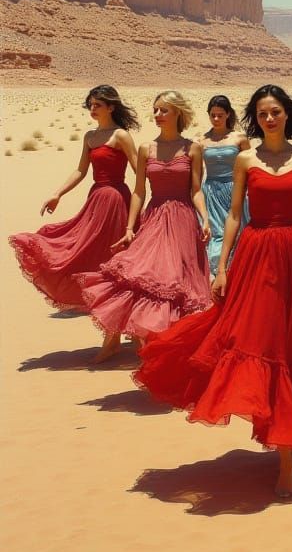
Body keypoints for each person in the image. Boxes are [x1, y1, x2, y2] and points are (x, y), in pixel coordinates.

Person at [135, 85, 292, 497]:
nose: (270, 119)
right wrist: (222, 267)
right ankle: (284, 455)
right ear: (256, 118)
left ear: (287, 114)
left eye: (275, 112)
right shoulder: (246, 159)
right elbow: (235, 213)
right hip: (256, 254)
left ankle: (289, 442)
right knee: (260, 341)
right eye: (263, 113)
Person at [76, 90, 211, 360]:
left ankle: (175, 348)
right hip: (155, 217)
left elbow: (196, 189)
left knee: (178, 281)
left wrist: (205, 218)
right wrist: (129, 228)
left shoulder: (193, 148)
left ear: (178, 114)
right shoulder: (146, 148)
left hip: (183, 219)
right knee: (141, 275)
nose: (158, 115)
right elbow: (139, 191)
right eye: (156, 110)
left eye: (164, 110)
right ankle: (139, 342)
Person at [10, 85, 138, 312]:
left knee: (116, 251)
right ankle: (104, 299)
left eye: (97, 105)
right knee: (84, 246)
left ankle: (121, 306)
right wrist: (57, 193)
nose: (92, 108)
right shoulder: (90, 136)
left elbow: (140, 169)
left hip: (118, 199)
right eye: (90, 104)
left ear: (111, 107)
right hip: (97, 197)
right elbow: (80, 170)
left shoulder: (121, 135)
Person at [200, 95, 250, 275]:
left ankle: (237, 273)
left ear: (228, 114)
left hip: (235, 191)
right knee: (215, 234)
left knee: (239, 233)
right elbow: (197, 174)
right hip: (211, 193)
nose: (216, 119)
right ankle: (217, 274)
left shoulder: (239, 138)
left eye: (220, 115)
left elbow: (250, 167)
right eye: (212, 115)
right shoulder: (202, 141)